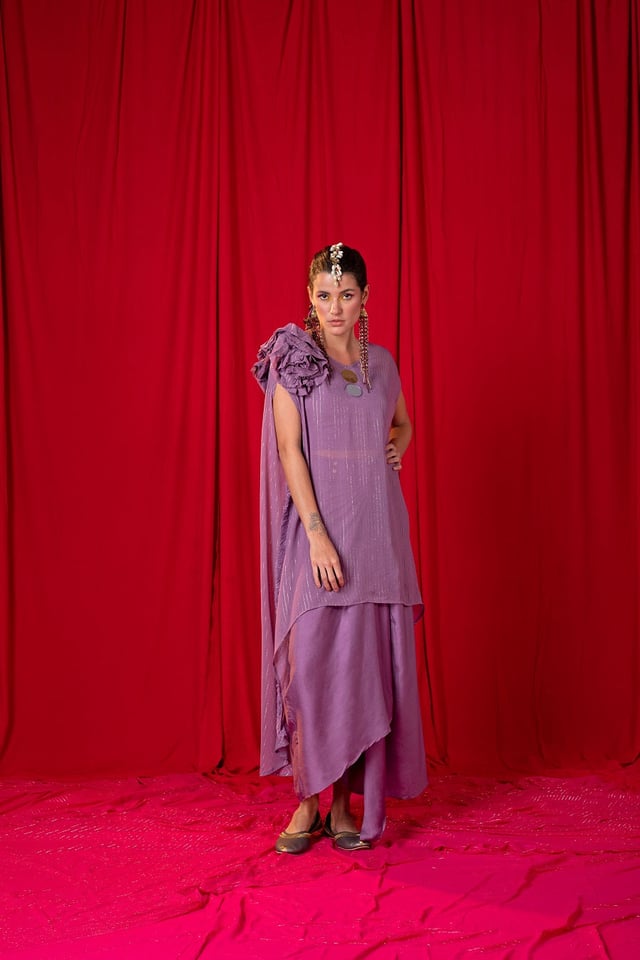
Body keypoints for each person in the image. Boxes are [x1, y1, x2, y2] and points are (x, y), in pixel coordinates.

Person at [252, 242, 427, 853]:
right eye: (324, 295)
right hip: (318, 537)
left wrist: (399, 443)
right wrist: (318, 535)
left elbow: (402, 422)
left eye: (346, 295)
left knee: (361, 675)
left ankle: (346, 805)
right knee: (311, 670)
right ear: (310, 296)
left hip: (377, 537)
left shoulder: (382, 364)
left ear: (364, 299)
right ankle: (308, 800)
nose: (335, 307)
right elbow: (288, 451)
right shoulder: (294, 360)